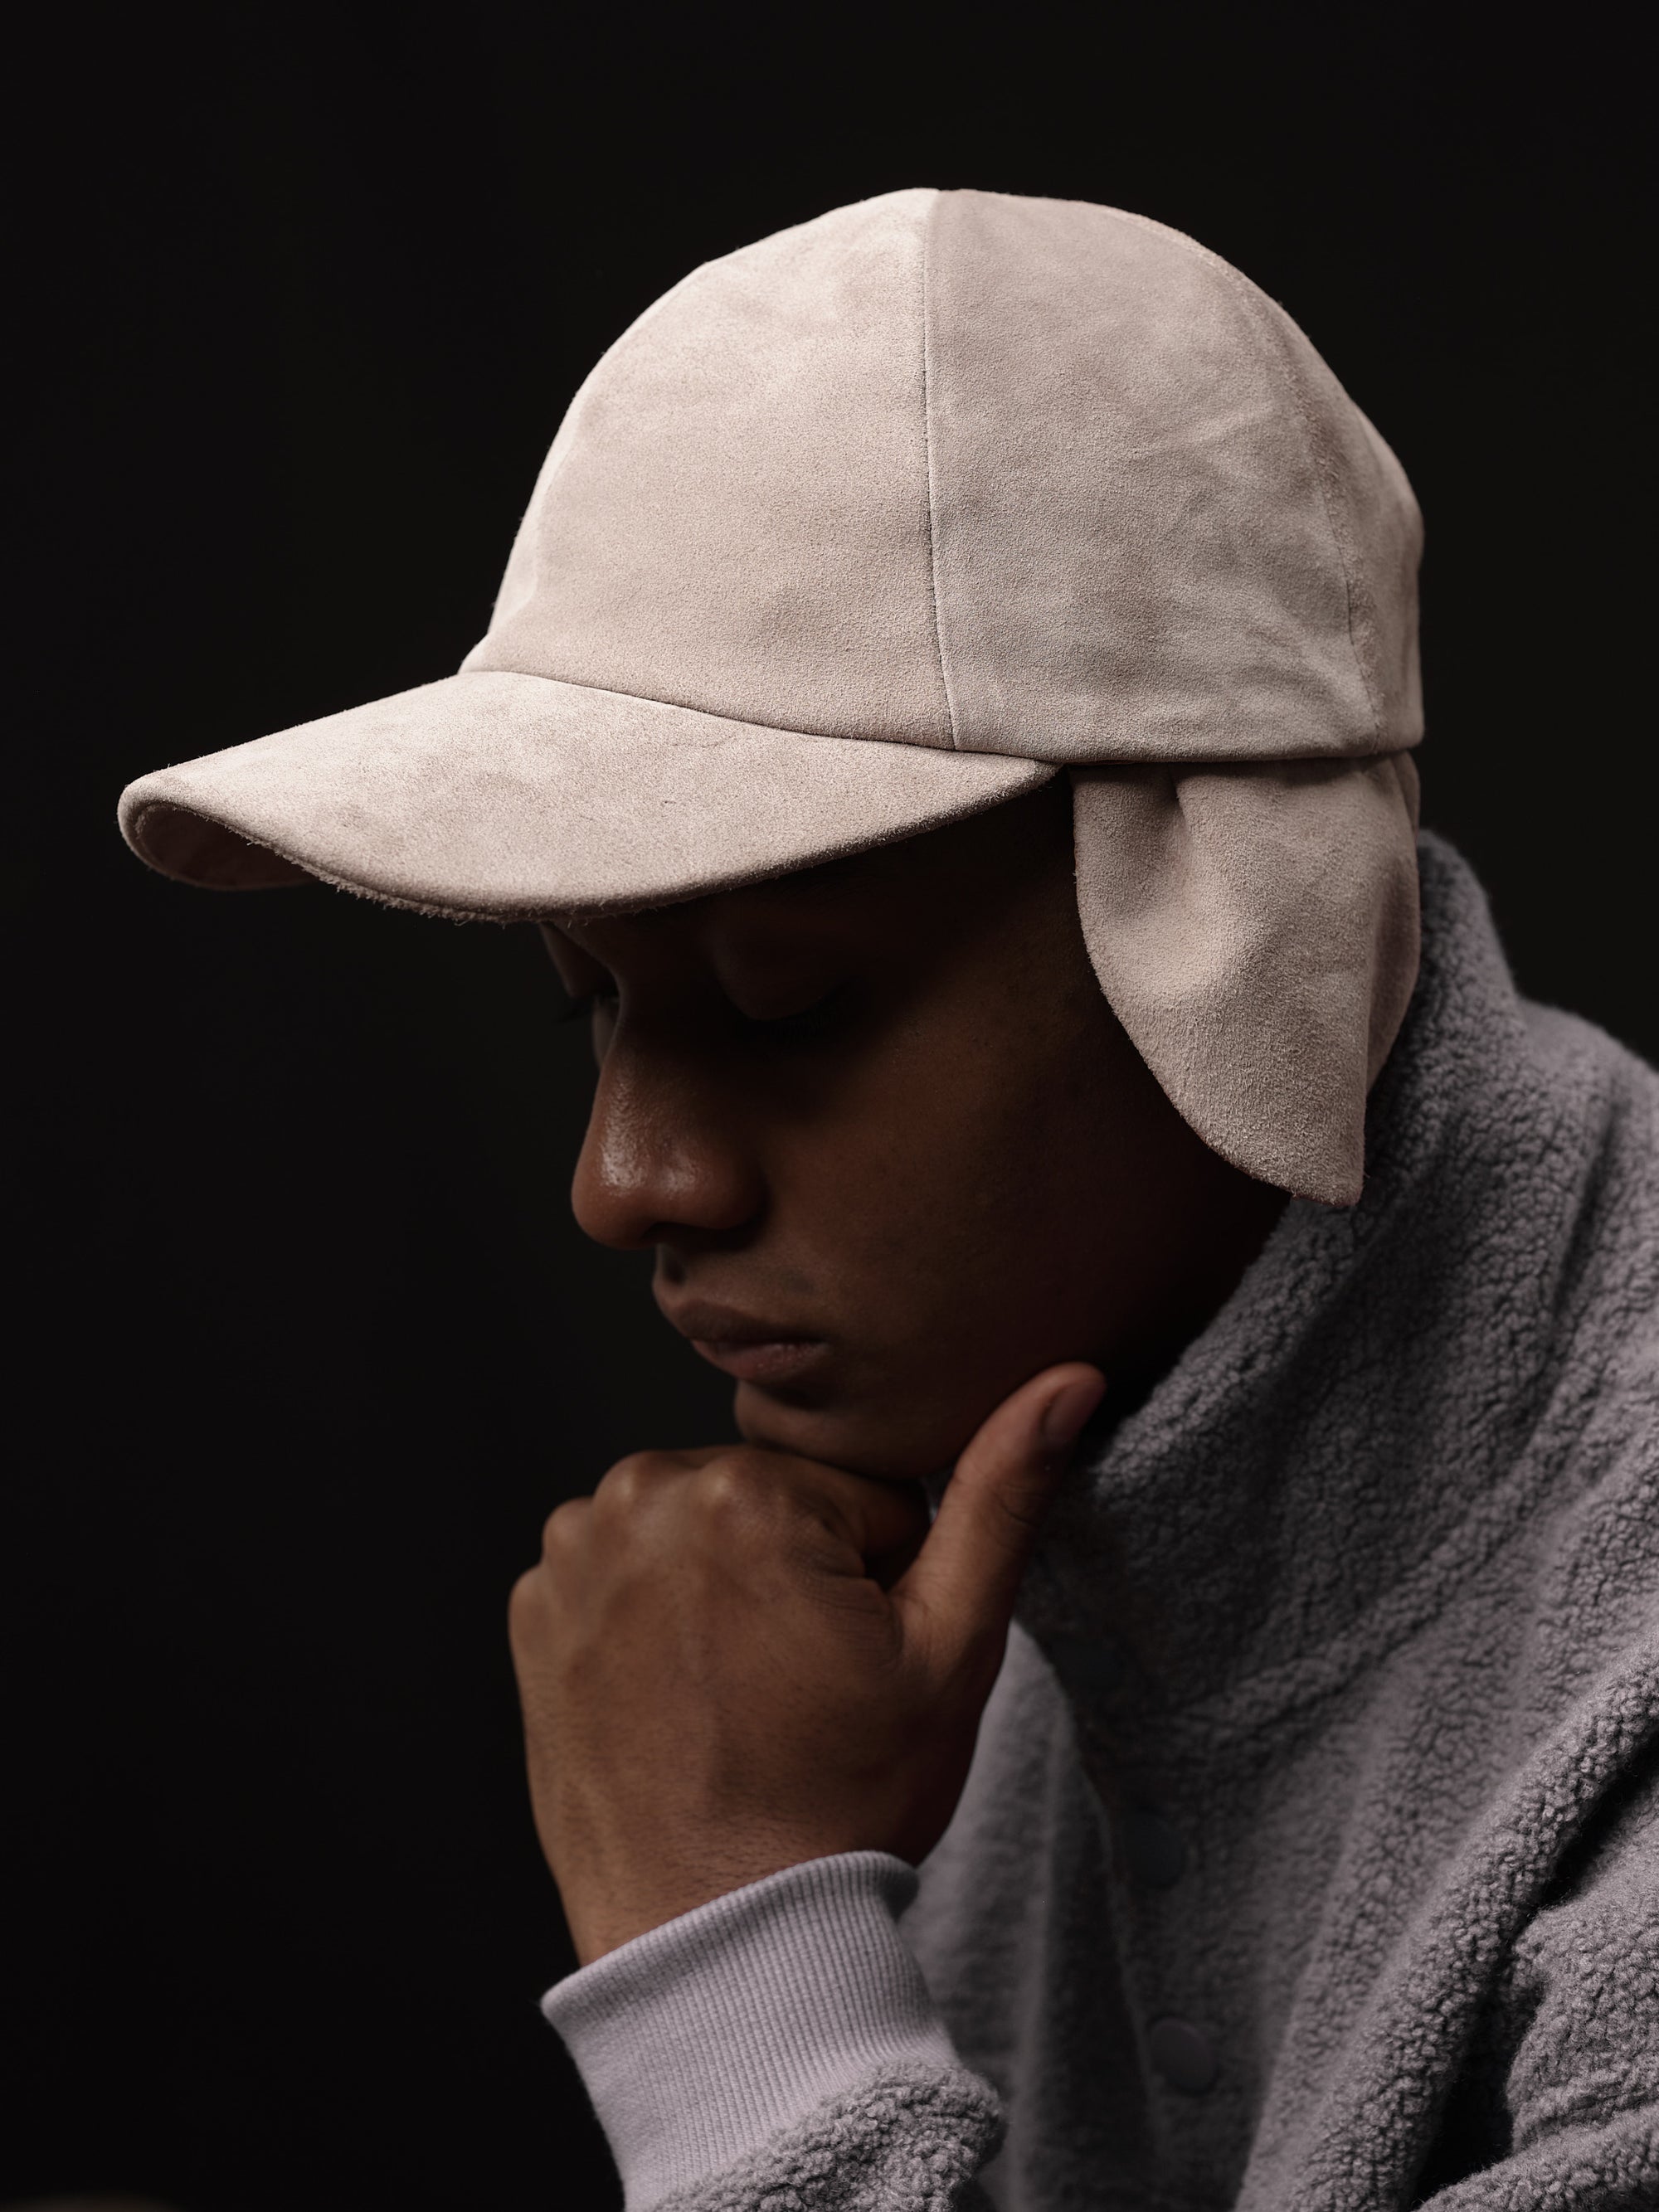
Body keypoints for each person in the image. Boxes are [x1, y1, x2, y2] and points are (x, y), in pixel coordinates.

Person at [118, 192, 1658, 2210]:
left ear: (1242, 943)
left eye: (790, 1004)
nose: (623, 1179)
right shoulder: (1051, 1441)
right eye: (596, 1005)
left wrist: (742, 1981)